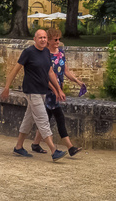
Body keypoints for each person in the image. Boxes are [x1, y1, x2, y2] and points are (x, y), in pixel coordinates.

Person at [0, 27, 66, 161]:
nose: (43, 39)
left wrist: (58, 89)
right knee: (43, 119)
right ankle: (54, 150)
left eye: (44, 37)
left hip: (42, 91)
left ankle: (18, 147)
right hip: (32, 90)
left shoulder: (46, 52)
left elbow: (50, 73)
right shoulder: (28, 52)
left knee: (29, 119)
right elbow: (15, 70)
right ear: (34, 39)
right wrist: (7, 87)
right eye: (40, 37)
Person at [32, 26, 82, 157]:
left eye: (59, 39)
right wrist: (55, 89)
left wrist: (77, 81)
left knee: (46, 119)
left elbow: (66, 71)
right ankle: (70, 147)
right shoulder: (44, 54)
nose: (57, 42)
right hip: (48, 90)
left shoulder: (61, 53)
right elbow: (45, 75)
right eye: (55, 40)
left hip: (58, 90)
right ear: (48, 40)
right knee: (59, 117)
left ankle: (35, 144)